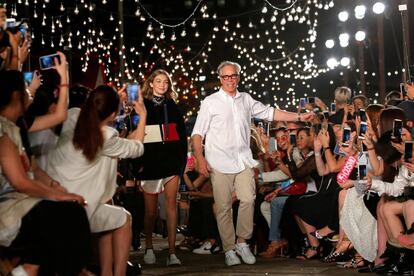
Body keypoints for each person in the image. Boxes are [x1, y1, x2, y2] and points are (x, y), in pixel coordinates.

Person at [191, 61, 314, 266]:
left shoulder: (246, 99)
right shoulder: (210, 102)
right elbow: (197, 133)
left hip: (243, 160)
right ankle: (229, 249)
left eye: (233, 76)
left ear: (238, 77)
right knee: (223, 207)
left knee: (248, 198)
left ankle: (242, 242)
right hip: (219, 161)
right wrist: (199, 157)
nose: (230, 80)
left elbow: (271, 113)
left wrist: (299, 115)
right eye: (226, 77)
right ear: (220, 79)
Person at [47, 85, 146, 276]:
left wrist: (111, 100)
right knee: (124, 219)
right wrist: (142, 116)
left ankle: (106, 271)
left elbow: (94, 112)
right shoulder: (107, 136)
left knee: (110, 217)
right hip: (79, 209)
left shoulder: (73, 116)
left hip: (55, 201)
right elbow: (137, 148)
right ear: (110, 114)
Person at [0, 70, 91, 276]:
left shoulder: (16, 127)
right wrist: (59, 195)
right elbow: (20, 182)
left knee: (70, 212)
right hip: (9, 208)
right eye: (25, 89)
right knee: (69, 214)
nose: (29, 92)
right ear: (16, 96)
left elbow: (33, 169)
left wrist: (54, 187)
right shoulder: (3, 132)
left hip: (23, 201)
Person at [135, 69, 187, 266]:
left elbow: (182, 138)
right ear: (151, 83)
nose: (162, 85)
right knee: (150, 212)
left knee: (172, 205)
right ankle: (148, 246)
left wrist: (181, 164)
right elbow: (136, 135)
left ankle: (172, 252)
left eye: (165, 82)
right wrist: (137, 165)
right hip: (150, 164)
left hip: (171, 162)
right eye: (158, 81)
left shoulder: (174, 107)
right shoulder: (142, 106)